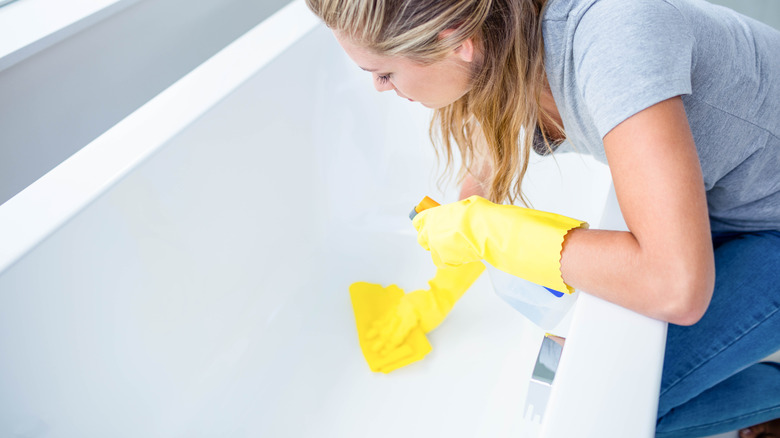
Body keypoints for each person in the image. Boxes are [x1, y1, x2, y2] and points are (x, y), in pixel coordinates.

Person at [304, 0, 780, 436]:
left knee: (605, 412)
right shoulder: (508, 34)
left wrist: (485, 231)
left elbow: (674, 286)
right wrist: (443, 278)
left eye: (384, 74)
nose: (379, 88)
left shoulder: (612, 38)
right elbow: (483, 174)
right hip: (733, 196)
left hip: (768, 224)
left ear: (454, 40)